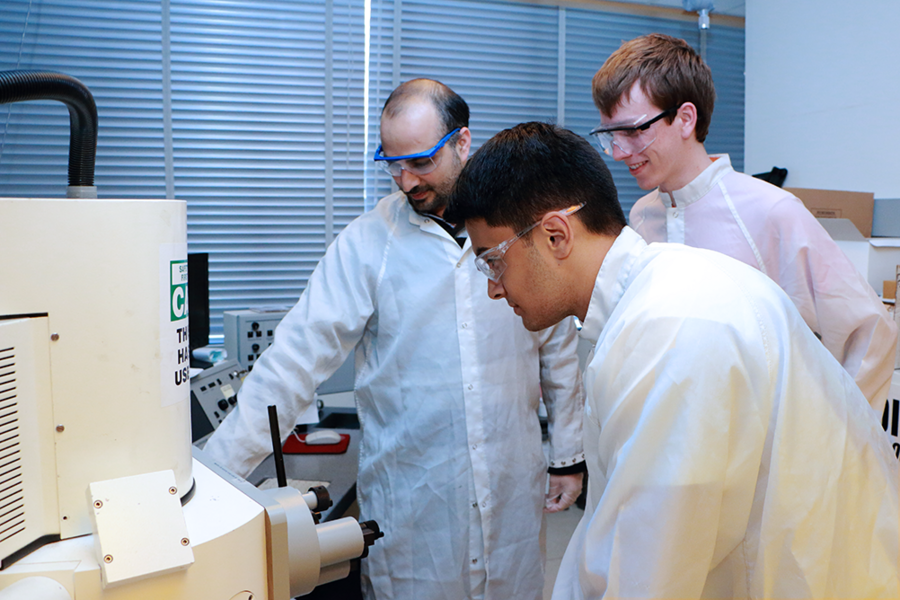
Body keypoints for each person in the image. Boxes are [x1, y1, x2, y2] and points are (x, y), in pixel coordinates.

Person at [450, 121, 900, 599]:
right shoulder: (663, 294)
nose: (493, 288)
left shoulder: (669, 329)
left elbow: (650, 572)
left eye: (492, 260)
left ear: (557, 236)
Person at [203, 79, 586, 600]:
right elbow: (293, 360)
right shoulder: (368, 244)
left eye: (422, 162)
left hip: (511, 491)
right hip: (414, 505)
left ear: (462, 142)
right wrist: (214, 479)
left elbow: (558, 345)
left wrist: (567, 454)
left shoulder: (517, 230)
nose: (406, 181)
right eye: (392, 163)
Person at [590, 33, 897, 410]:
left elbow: (870, 332)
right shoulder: (641, 217)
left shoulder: (772, 211)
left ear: (685, 118)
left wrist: (833, 437)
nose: (620, 153)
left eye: (634, 131)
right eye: (609, 136)